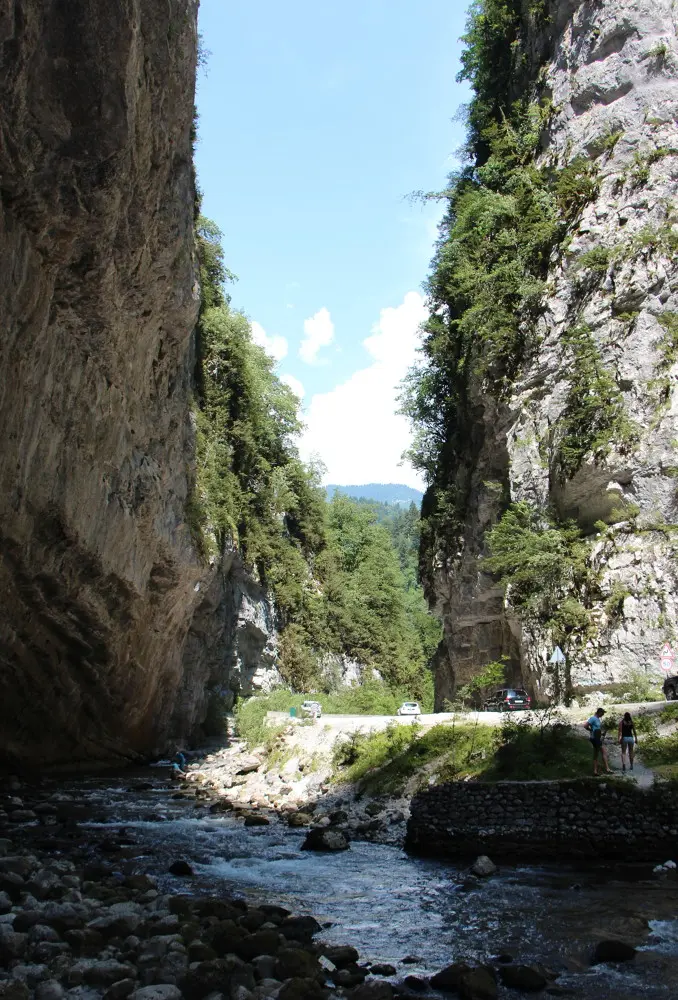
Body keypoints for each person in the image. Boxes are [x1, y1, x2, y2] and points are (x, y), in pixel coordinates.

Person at [584, 707, 612, 775]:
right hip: (594, 738)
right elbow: (585, 726)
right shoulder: (593, 718)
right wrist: (591, 730)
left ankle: (596, 771)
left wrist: (602, 733)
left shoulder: (598, 719)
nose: (603, 715)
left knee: (597, 753)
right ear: (599, 712)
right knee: (602, 752)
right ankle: (606, 769)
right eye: (602, 713)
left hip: (597, 737)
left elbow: (596, 728)